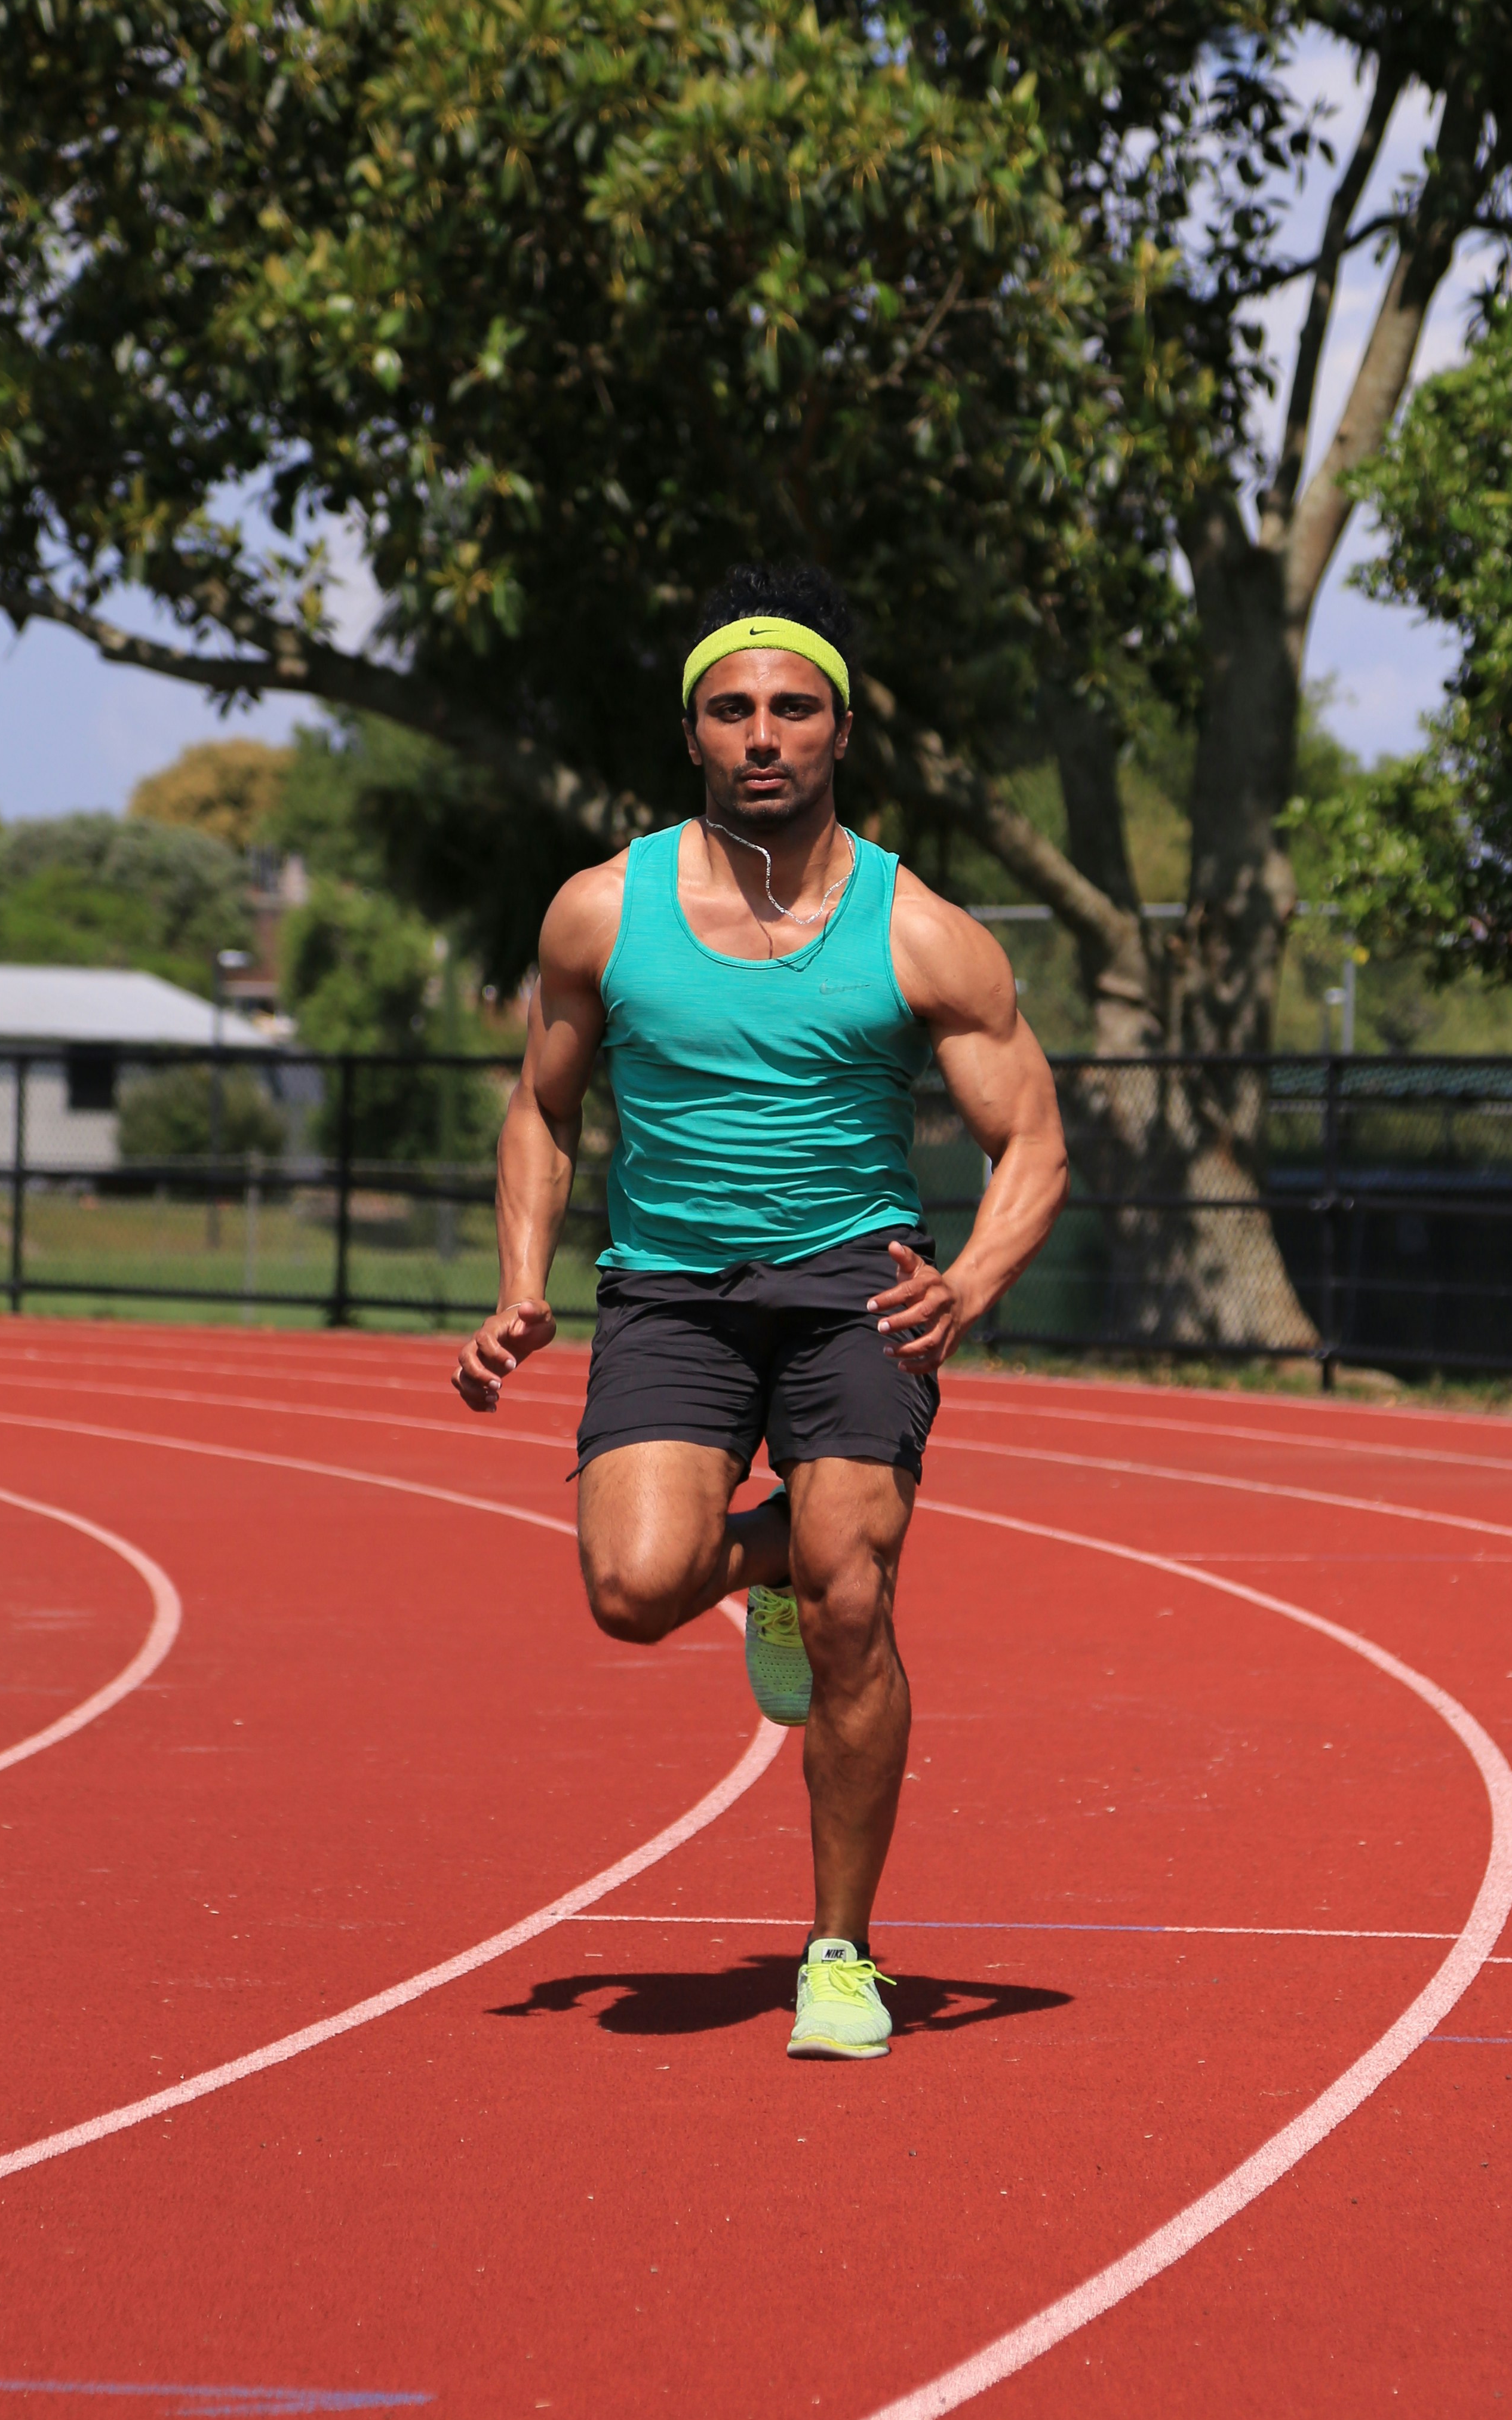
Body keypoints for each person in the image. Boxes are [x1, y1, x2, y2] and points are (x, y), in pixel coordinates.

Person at [453, 566, 1068, 2060]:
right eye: (734, 711)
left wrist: (970, 1282)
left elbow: (1034, 1137)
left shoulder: (922, 931)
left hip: (858, 1286)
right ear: (694, 739)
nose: (764, 735)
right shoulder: (602, 912)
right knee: (635, 1591)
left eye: (794, 708)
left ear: (841, 730)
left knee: (862, 1593)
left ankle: (842, 1953)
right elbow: (540, 1112)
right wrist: (524, 1282)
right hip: (668, 1290)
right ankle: (770, 1562)